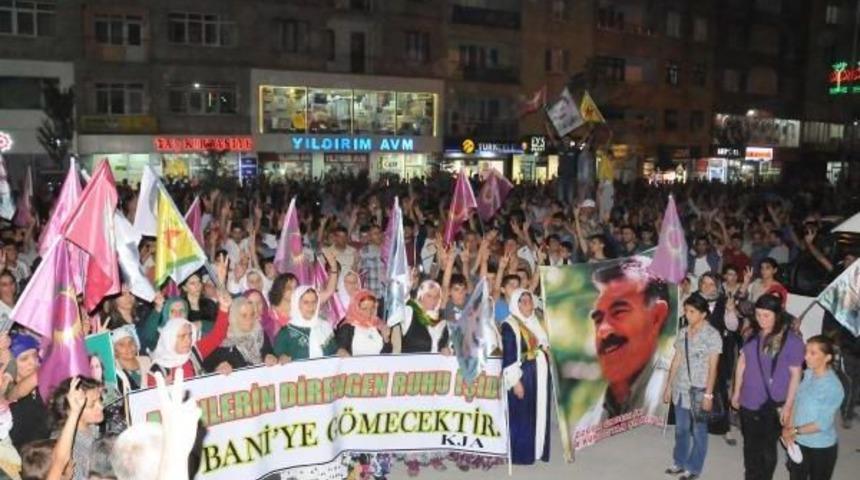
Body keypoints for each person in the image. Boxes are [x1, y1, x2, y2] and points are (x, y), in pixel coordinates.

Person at [577, 256, 670, 429]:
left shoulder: (665, 397)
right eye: (598, 319)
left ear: (656, 317)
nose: (603, 331)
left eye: (619, 312)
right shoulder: (589, 420)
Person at [732, 294, 805, 480]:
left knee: (767, 448)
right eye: (758, 314)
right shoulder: (752, 335)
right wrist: (736, 392)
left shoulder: (792, 341)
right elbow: (742, 363)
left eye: (766, 315)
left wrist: (788, 406)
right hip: (749, 399)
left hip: (774, 401)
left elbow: (796, 375)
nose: (761, 319)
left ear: (777, 315)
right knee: (750, 445)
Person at [663, 293, 722, 480]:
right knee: (681, 429)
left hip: (699, 390)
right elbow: (677, 359)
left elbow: (713, 367)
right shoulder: (683, 332)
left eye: (692, 311)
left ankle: (694, 468)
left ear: (703, 314)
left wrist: (709, 395)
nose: (688, 315)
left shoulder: (712, 335)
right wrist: (668, 386)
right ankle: (679, 462)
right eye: (686, 310)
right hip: (681, 389)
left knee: (698, 431)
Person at [782, 335, 844, 480]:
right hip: (799, 441)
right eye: (806, 351)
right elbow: (797, 402)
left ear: (827, 357)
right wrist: (788, 429)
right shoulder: (809, 374)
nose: (806, 357)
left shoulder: (832, 387)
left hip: (820, 447)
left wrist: (794, 431)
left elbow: (822, 423)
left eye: (813, 353)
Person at [501, 289, 551, 465]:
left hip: (540, 373)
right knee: (522, 415)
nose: (527, 304)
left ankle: (538, 450)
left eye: (529, 300)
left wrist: (547, 351)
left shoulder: (536, 321)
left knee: (538, 412)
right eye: (523, 301)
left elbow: (543, 343)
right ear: (516, 304)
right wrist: (516, 383)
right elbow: (508, 357)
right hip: (524, 375)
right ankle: (521, 454)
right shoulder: (510, 325)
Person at [145, 290, 231, 387]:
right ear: (170, 339)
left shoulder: (193, 352)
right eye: (182, 336)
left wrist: (224, 308)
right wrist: (161, 390)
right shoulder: (157, 370)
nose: (188, 340)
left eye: (190, 334)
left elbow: (217, 335)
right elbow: (150, 399)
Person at [48, 377, 104, 480]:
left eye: (100, 400)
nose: (100, 407)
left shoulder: (93, 428)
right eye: (92, 404)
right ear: (70, 409)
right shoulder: (70, 446)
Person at [203, 297, 277, 371]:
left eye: (252, 314)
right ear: (234, 317)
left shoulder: (260, 333)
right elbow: (206, 364)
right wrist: (218, 367)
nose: (249, 319)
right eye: (244, 315)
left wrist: (270, 357)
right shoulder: (225, 341)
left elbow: (269, 352)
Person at [6, 333, 50, 450]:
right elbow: (17, 392)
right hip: (25, 463)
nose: (33, 362)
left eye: (35, 356)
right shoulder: (6, 391)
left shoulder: (41, 387)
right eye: (24, 359)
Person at [272, 286, 336, 360]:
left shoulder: (325, 327)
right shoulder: (286, 332)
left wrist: (341, 351)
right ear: (297, 304)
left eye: (314, 302)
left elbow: (335, 351)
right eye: (306, 302)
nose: (311, 306)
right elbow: (276, 356)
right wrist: (281, 357)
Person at [391, 280, 451, 354]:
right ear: (421, 296)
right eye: (429, 296)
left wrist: (448, 351)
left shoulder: (443, 322)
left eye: (436, 297)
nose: (433, 300)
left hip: (436, 365)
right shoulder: (409, 312)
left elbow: (452, 346)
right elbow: (391, 321)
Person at [335, 290, 390, 356]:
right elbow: (341, 348)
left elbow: (387, 354)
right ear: (355, 308)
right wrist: (342, 351)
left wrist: (386, 339)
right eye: (364, 309)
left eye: (372, 308)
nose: (369, 312)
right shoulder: (347, 327)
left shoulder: (379, 325)